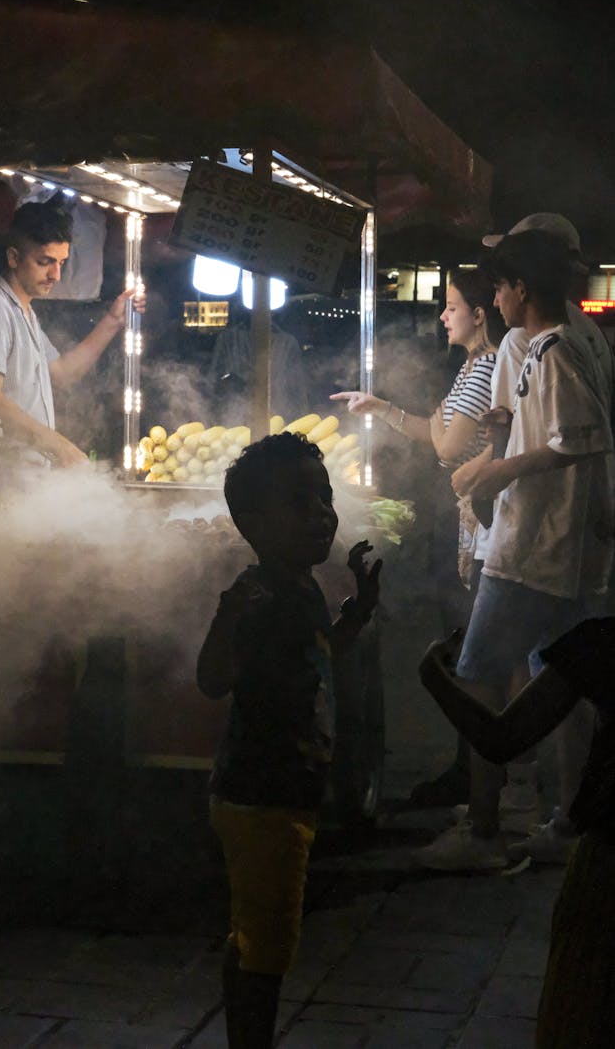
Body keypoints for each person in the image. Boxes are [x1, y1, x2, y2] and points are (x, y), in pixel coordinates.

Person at [415, 229, 614, 872]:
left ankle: (481, 832)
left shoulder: (551, 348)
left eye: (497, 285)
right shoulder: (564, 341)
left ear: (520, 290)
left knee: (474, 675)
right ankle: (567, 822)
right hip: (567, 546)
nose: (492, 297)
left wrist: (497, 473)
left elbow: (582, 438)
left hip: (532, 544)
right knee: (567, 680)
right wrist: (505, 434)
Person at [196, 432, 381, 1048]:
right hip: (260, 797)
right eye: (300, 502)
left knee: (254, 936)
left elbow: (320, 651)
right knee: (269, 948)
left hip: (281, 795)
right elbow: (211, 680)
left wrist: (356, 611)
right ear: (252, 523)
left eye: (324, 497)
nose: (322, 513)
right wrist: (227, 618)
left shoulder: (298, 585)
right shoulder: (260, 592)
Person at [332, 268, 502, 805]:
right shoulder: (472, 368)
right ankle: (468, 770)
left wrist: (432, 426)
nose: (443, 316)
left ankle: (480, 783)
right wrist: (381, 408)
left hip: (479, 526)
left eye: (452, 307)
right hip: (467, 521)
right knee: (465, 649)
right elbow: (434, 429)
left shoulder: (487, 368)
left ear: (479, 314)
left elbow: (447, 445)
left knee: (471, 653)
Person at [418, 623, 615, 1048]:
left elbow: (501, 737)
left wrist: (433, 674)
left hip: (607, 867)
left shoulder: (600, 642)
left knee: (585, 1013)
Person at [0, 200, 145, 468]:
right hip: (3, 476)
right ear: (13, 257)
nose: (56, 275)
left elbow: (64, 373)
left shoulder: (25, 313)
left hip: (30, 475)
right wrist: (58, 444)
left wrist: (113, 320)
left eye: (61, 263)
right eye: (45, 262)